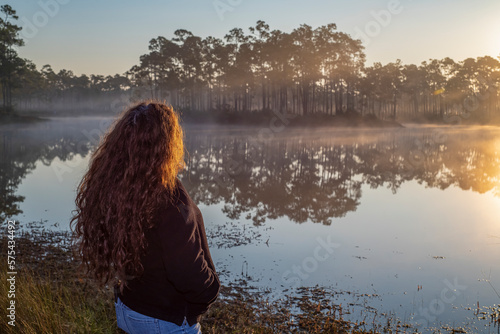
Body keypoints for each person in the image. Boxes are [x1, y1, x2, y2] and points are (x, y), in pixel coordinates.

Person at [70, 101, 220, 333]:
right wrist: (210, 291)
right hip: (164, 322)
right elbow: (187, 273)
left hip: (129, 311)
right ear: (168, 145)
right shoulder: (170, 199)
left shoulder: (116, 187)